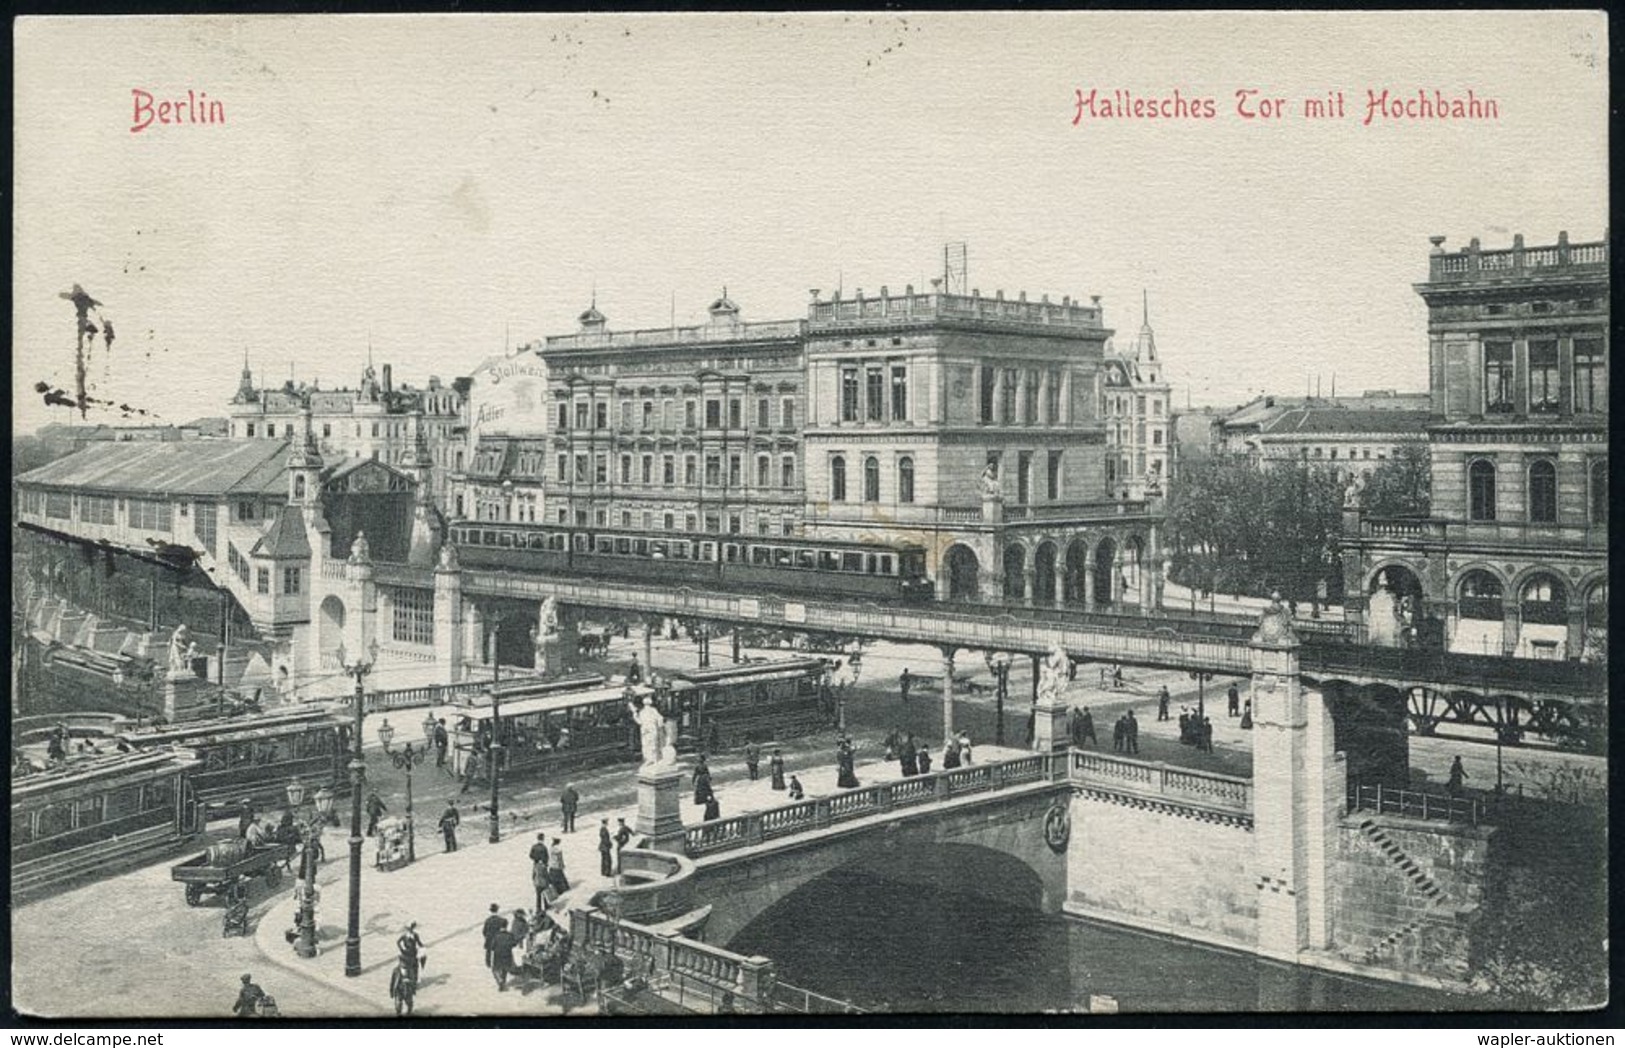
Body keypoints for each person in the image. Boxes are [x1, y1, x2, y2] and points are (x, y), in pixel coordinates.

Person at [489, 922, 518, 991]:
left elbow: (492, 947)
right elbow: (514, 944)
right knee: (504, 970)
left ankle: (500, 981)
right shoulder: (510, 935)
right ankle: (503, 983)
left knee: (495, 969)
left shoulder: (496, 935)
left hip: (498, 954)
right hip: (507, 954)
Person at [482, 903, 506, 971]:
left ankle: (488, 963)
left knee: (488, 951)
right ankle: (497, 964)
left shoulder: (488, 920)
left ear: (491, 911)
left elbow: (484, 931)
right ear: (497, 910)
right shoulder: (501, 920)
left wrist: (487, 936)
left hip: (489, 939)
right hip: (498, 939)